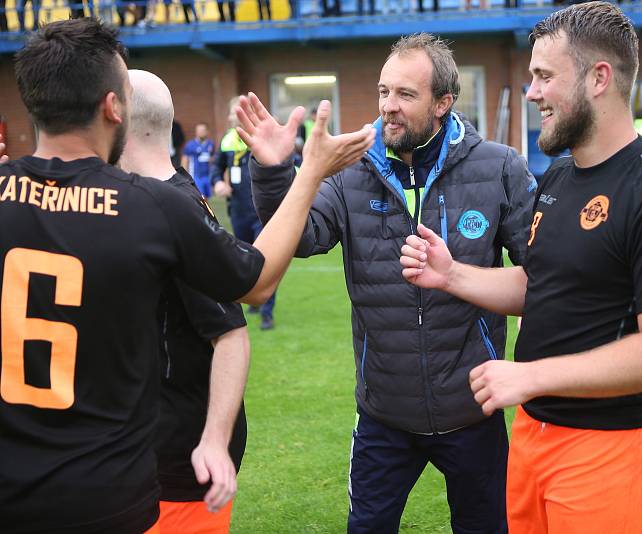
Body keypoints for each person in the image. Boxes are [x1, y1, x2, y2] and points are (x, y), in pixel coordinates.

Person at [0, 17, 374, 533]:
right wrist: (309, 171)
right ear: (114, 108)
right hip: (109, 496)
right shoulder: (148, 207)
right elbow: (257, 282)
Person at [400, 4, 642, 532]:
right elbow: (541, 284)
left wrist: (531, 377)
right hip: (534, 433)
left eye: (544, 77)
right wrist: (451, 275)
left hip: (608, 445)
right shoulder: (558, 178)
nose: (532, 92)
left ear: (599, 79)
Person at [240, 32, 536, 534]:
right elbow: (304, 236)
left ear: (444, 102)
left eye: (405, 94)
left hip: (473, 410)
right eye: (383, 92)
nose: (388, 107)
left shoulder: (499, 167)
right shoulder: (352, 167)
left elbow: (542, 274)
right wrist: (274, 173)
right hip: (384, 414)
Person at [119, 69, 250, 534]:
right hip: (139, 449)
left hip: (179, 459)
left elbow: (229, 333)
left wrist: (213, 440)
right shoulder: (146, 199)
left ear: (115, 119)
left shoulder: (175, 209)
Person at [213, 97, 278, 331]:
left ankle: (267, 313)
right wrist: (218, 182)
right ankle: (252, 300)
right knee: (242, 258)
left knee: (265, 261)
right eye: (231, 113)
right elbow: (216, 168)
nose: (232, 117)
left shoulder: (261, 139)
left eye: (236, 113)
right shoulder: (227, 141)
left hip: (261, 212)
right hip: (238, 210)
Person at [182, 122, 215, 198]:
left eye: (202, 130)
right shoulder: (190, 145)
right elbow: (184, 160)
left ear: (207, 131)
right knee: (200, 197)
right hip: (196, 176)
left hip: (207, 176)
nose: (200, 132)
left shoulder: (211, 144)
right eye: (199, 130)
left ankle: (205, 210)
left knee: (207, 198)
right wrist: (185, 176)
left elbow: (212, 158)